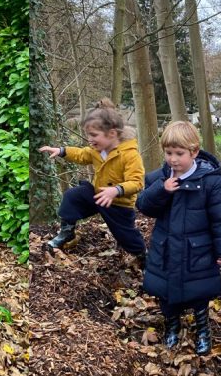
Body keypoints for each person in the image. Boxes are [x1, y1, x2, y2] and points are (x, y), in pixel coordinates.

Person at [137, 121, 221, 355]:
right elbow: (143, 206)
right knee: (166, 293)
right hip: (166, 247)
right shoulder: (159, 177)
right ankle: (172, 325)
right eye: (169, 153)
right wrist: (161, 190)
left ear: (194, 152)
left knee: (199, 292)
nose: (173, 159)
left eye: (179, 154)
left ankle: (203, 329)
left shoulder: (209, 180)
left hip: (198, 249)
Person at [37, 98, 145, 259]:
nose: (90, 139)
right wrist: (61, 151)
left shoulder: (129, 154)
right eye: (88, 135)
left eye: (94, 135)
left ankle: (144, 257)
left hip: (118, 204)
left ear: (112, 134)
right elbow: (81, 154)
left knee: (127, 237)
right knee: (72, 196)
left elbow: (137, 182)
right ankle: (67, 232)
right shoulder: (97, 150)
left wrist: (116, 190)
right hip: (97, 194)